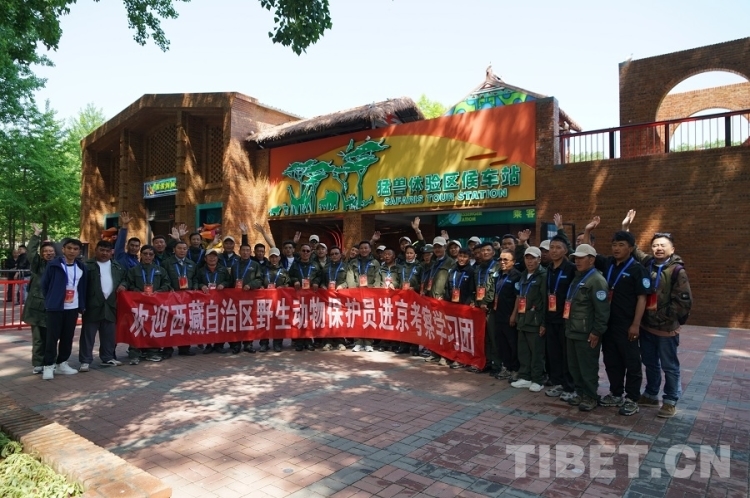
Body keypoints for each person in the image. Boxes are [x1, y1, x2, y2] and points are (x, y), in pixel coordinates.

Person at [622, 210, 692, 418]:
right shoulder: (648, 263)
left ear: (672, 249)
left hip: (665, 329)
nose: (658, 248)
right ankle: (652, 394)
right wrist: (625, 228)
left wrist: (660, 317)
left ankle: (670, 400)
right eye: (655, 245)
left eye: (662, 245)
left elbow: (683, 303)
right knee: (650, 363)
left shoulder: (677, 271)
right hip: (646, 327)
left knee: (669, 366)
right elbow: (634, 250)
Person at [582, 217, 649, 416]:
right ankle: (616, 393)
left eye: (621, 245)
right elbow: (587, 251)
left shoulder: (638, 269)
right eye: (614, 245)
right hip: (607, 323)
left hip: (626, 324)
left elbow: (642, 298)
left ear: (631, 248)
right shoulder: (608, 263)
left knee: (631, 361)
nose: (616, 248)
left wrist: (635, 324)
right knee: (611, 360)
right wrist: (587, 231)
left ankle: (632, 398)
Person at [564, 244, 610, 411]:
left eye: (581, 258)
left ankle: (591, 396)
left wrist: (597, 331)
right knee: (574, 366)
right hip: (572, 330)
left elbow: (602, 310)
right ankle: (581, 393)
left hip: (586, 333)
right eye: (576, 258)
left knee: (587, 366)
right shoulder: (578, 277)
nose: (577, 261)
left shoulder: (597, 280)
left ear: (591, 260)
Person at [40, 238, 88, 380]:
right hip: (55, 307)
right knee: (52, 337)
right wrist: (51, 299)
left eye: (75, 249)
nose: (72, 251)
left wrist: (82, 305)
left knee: (67, 337)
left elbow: (83, 287)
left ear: (79, 251)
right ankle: (48, 366)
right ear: (63, 249)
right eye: (69, 248)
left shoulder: (81, 267)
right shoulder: (54, 265)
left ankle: (62, 363)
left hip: (73, 307)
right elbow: (44, 285)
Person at [79, 240, 128, 371]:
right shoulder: (86, 265)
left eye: (107, 251)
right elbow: (80, 286)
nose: (104, 253)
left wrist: (123, 284)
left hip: (110, 305)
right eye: (102, 250)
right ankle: (85, 360)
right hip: (92, 305)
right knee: (88, 335)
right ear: (96, 250)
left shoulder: (117, 266)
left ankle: (107, 358)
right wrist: (81, 305)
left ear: (111, 252)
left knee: (109, 334)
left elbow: (125, 279)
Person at [119, 244, 171, 363]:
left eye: (151, 254)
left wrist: (159, 291)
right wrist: (138, 292)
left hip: (155, 305)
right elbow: (129, 283)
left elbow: (167, 284)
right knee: (137, 328)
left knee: (153, 328)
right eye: (145, 254)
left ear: (154, 256)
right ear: (141, 255)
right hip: (138, 305)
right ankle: (135, 353)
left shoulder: (160, 270)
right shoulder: (133, 270)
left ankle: (152, 352)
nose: (148, 256)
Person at [543, 235, 577, 401]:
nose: (554, 251)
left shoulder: (571, 269)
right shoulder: (548, 269)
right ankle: (557, 383)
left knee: (566, 355)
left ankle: (570, 386)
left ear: (565, 250)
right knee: (553, 354)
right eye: (552, 247)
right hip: (550, 319)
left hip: (566, 320)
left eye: (558, 248)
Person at [510, 247, 548, 392]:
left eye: (533, 258)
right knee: (523, 351)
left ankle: (537, 379)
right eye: (527, 258)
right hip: (523, 319)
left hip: (535, 320)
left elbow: (545, 301)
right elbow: (519, 296)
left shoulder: (543, 276)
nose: (530, 261)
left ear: (539, 259)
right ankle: (525, 377)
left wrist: (543, 323)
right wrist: (515, 315)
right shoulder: (524, 275)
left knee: (537, 352)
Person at [21, 225, 55, 374]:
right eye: (45, 251)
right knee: (38, 338)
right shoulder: (37, 265)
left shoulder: (58, 266)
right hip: (36, 308)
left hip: (52, 307)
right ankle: (38, 363)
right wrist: (36, 235)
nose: (48, 253)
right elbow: (31, 252)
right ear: (41, 254)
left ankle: (50, 361)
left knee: (51, 337)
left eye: (51, 251)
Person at [491, 249, 523, 381]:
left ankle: (515, 369)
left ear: (513, 262)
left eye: (506, 260)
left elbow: (518, 297)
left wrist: (514, 315)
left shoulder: (517, 276)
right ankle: (506, 367)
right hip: (498, 314)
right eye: (500, 259)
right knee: (502, 343)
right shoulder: (498, 274)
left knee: (512, 344)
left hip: (509, 316)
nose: (502, 262)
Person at [163, 241, 199, 356]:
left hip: (187, 299)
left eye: (184, 249)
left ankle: (184, 348)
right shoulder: (167, 263)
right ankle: (168, 349)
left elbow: (195, 278)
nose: (182, 251)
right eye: (179, 248)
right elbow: (164, 278)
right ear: (174, 250)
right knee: (170, 323)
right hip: (172, 298)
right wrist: (169, 288)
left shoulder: (191, 264)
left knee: (185, 322)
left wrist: (195, 287)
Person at [346, 240, 382, 352]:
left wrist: (373, 289)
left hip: (370, 294)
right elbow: (350, 276)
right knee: (357, 318)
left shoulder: (375, 263)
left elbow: (378, 278)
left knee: (369, 318)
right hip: (356, 293)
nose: (364, 250)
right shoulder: (353, 262)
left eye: (366, 248)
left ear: (370, 249)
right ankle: (357, 342)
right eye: (361, 248)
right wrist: (353, 289)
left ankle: (368, 342)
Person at [422, 237, 454, 360]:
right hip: (432, 300)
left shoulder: (450, 262)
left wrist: (446, 296)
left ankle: (445, 355)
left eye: (440, 247)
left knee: (445, 329)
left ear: (445, 247)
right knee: (435, 327)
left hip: (443, 300)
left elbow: (452, 282)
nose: (437, 249)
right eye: (435, 247)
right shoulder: (434, 263)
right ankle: (435, 352)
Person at [197, 248, 233, 354]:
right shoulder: (201, 271)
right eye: (210, 256)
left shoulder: (223, 270)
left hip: (220, 301)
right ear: (205, 258)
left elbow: (229, 281)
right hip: (206, 302)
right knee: (207, 322)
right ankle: (208, 344)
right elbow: (195, 281)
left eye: (214, 256)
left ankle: (219, 345)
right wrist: (201, 285)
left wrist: (224, 284)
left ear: (217, 258)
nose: (212, 258)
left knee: (220, 322)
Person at [469, 242, 497, 373]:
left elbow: (495, 288)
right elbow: (475, 288)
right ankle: (486, 362)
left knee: (493, 337)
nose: (485, 252)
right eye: (483, 250)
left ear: (493, 252)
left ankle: (496, 364)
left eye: (488, 250)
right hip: (480, 308)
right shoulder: (478, 269)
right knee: (483, 337)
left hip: (491, 308)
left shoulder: (497, 267)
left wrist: (486, 302)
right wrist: (475, 301)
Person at [447, 247, 475, 369]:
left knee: (464, 335)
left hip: (464, 308)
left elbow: (472, 291)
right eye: (460, 256)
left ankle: (464, 358)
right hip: (452, 307)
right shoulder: (453, 270)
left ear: (469, 258)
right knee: (454, 334)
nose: (462, 259)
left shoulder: (471, 271)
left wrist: (466, 306)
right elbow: (447, 287)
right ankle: (455, 356)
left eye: (465, 257)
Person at [260, 247, 290, 352]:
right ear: (269, 258)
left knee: (278, 322)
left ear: (279, 258)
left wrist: (284, 287)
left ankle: (277, 343)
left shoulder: (284, 271)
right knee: (265, 322)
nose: (274, 259)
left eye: (276, 257)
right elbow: (259, 281)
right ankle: (264, 343)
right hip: (265, 301)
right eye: (272, 257)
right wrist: (261, 287)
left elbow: (288, 283)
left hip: (279, 301)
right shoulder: (264, 270)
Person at [395, 244, 423, 355]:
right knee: (403, 321)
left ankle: (414, 347)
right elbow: (397, 280)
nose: (409, 255)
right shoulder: (400, 266)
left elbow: (423, 282)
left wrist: (414, 288)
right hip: (402, 298)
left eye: (411, 253)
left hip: (414, 297)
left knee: (414, 321)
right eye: (407, 253)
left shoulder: (419, 267)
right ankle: (404, 345)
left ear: (415, 255)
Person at [235, 243, 263, 353]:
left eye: (247, 250)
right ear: (239, 252)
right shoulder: (235, 265)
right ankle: (236, 345)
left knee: (249, 321)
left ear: (250, 252)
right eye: (243, 250)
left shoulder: (255, 265)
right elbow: (230, 280)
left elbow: (259, 280)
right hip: (236, 298)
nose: (245, 252)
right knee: (237, 321)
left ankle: (248, 344)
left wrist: (250, 285)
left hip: (250, 297)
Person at [319, 246, 348, 351]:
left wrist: (342, 286)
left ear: (340, 255)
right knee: (328, 319)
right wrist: (323, 286)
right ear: (329, 256)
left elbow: (348, 281)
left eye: (336, 253)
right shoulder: (326, 268)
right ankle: (328, 342)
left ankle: (340, 341)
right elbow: (322, 281)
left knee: (339, 319)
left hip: (341, 297)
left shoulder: (346, 266)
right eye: (332, 254)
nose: (334, 256)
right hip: (328, 298)